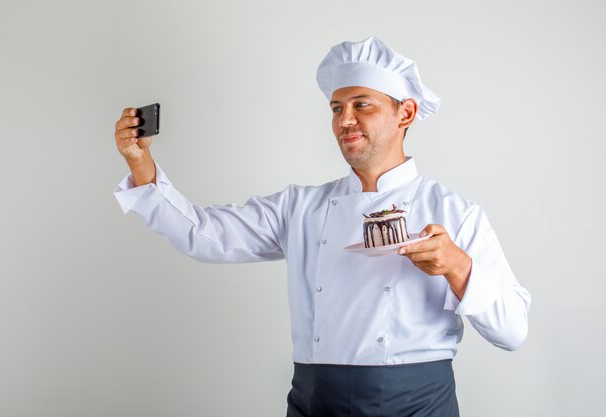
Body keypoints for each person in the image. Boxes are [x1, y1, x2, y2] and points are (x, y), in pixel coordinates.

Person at [113, 36, 531, 417]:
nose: (344, 120)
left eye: (361, 104)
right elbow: (203, 235)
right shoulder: (302, 207)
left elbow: (513, 331)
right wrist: (139, 163)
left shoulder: (455, 212)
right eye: (337, 108)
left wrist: (458, 267)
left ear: (405, 112)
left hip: (415, 404)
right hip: (316, 403)